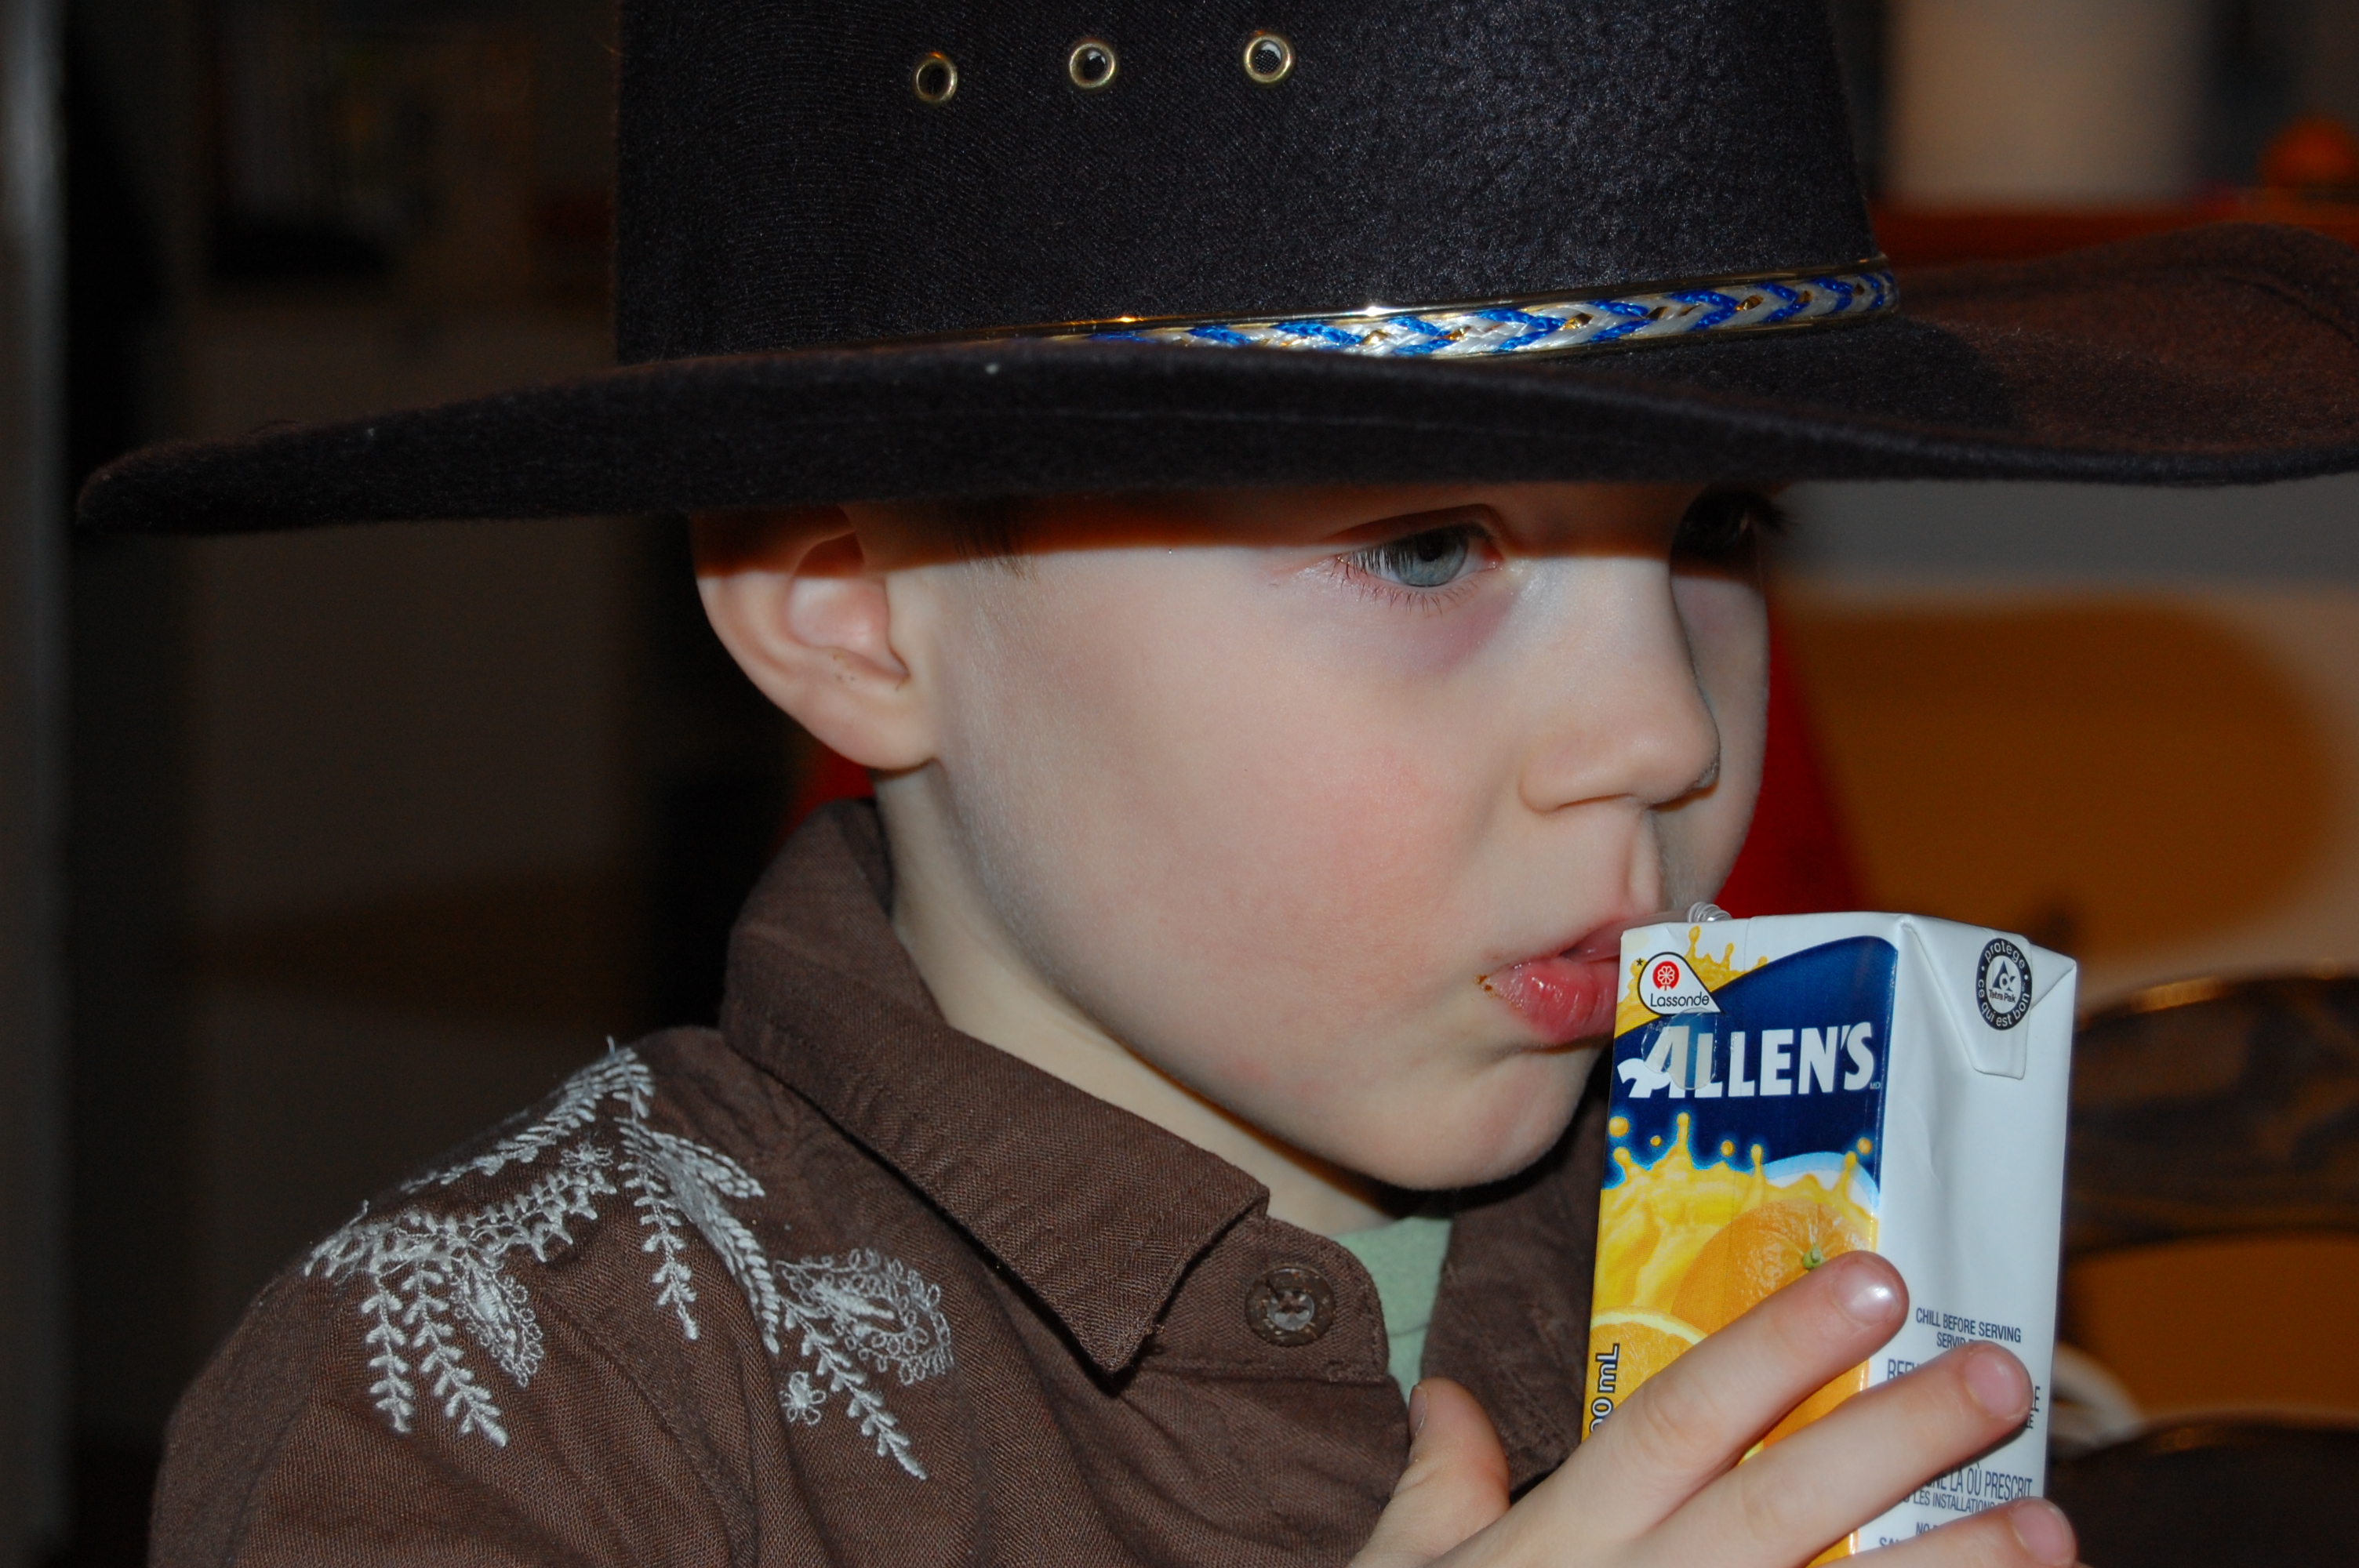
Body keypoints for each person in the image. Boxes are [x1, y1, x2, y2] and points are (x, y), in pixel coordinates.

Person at [82, 2, 2359, 1564]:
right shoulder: (500, 1415)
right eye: (1429, 546)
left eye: (1721, 527)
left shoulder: (1784, 1241)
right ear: (853, 604)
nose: (1667, 732)